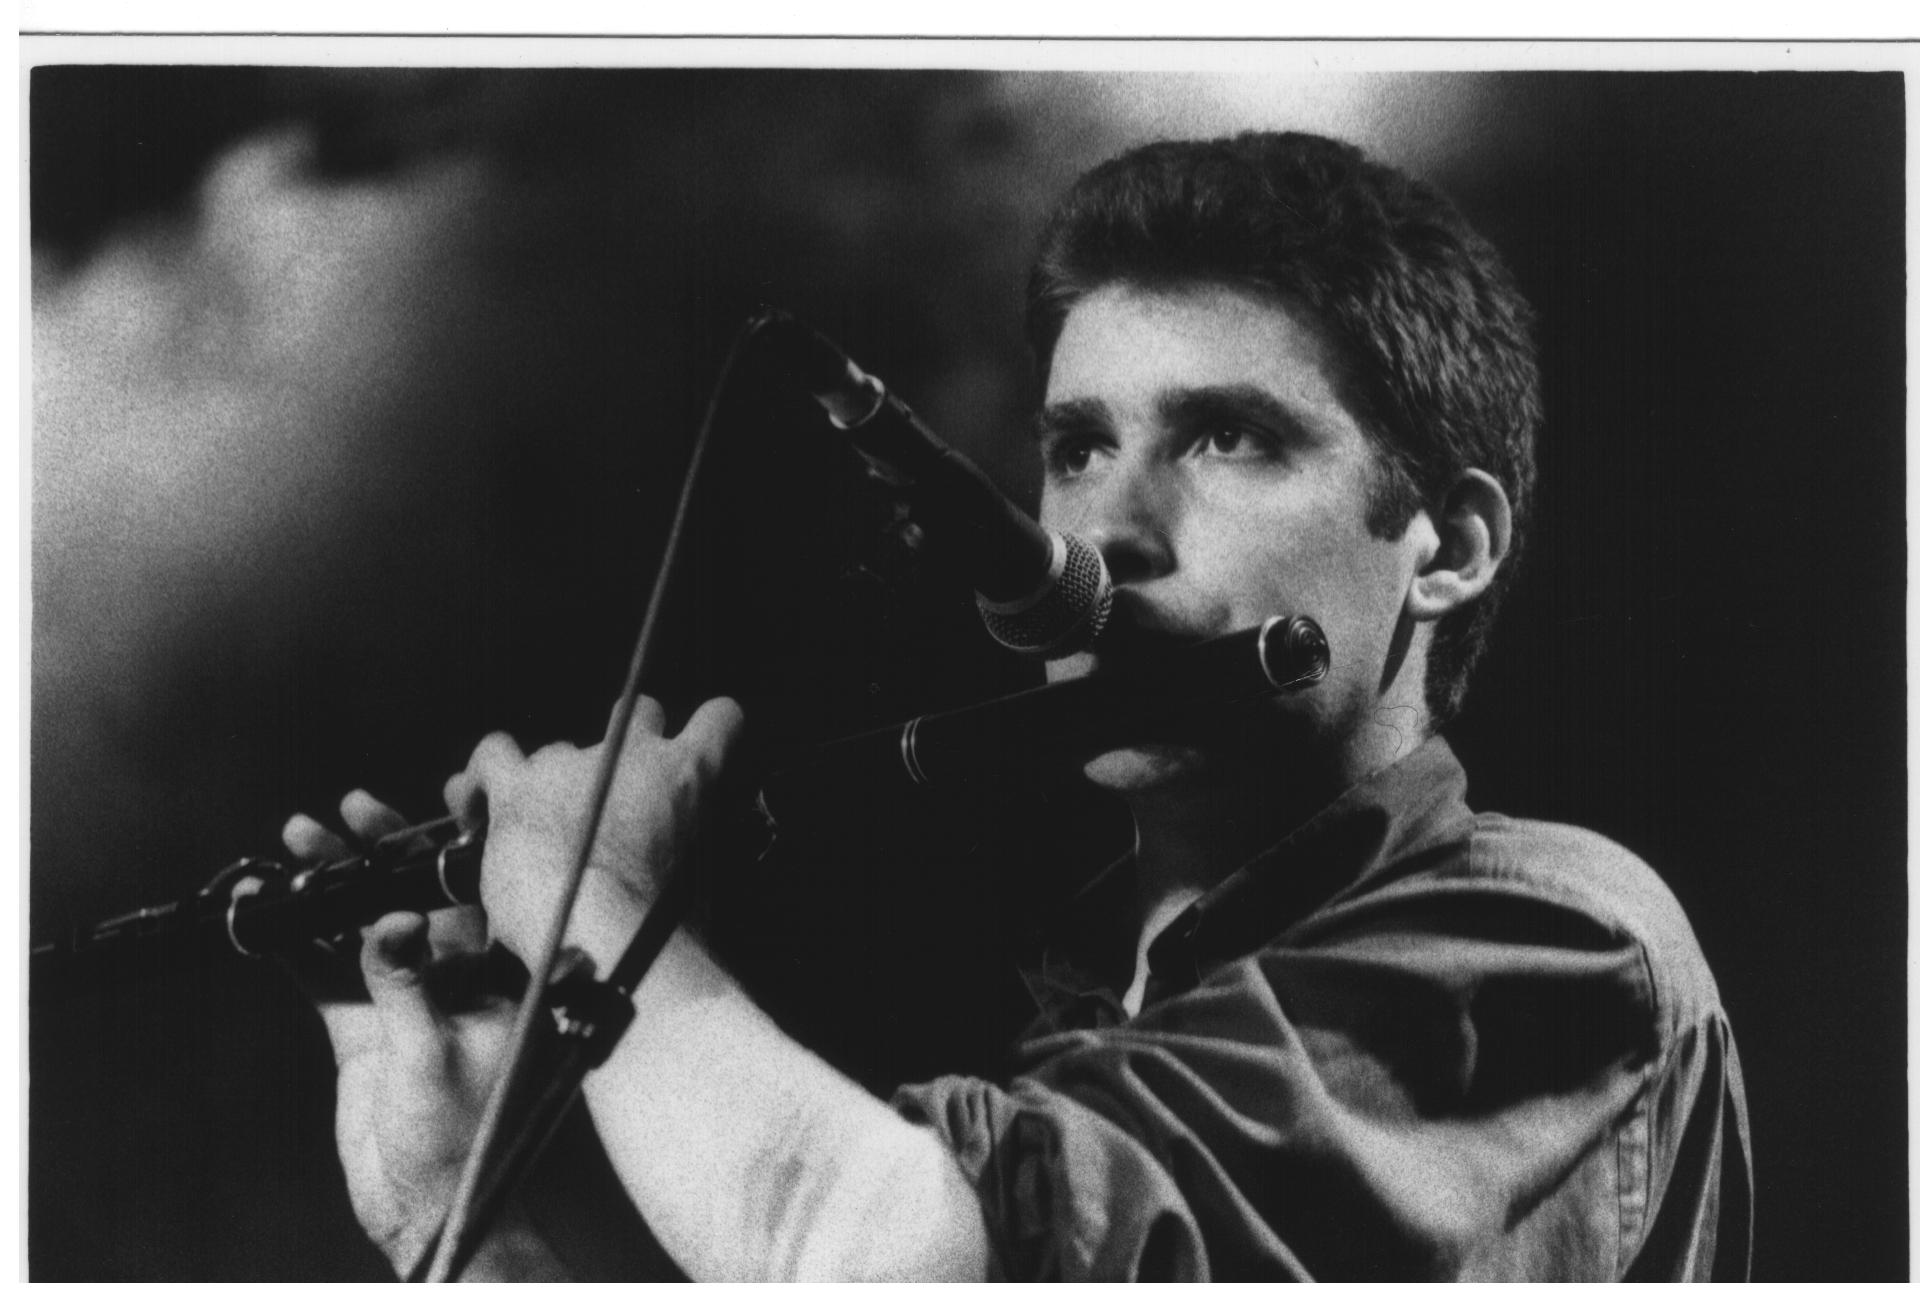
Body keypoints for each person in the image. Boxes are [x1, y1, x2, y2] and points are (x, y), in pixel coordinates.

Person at [284, 131, 1752, 1280]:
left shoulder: (1565, 941)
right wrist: (464, 1220)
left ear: (1451, 548)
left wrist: (589, 901)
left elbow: (885, 1259)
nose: (1107, 533)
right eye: (1077, 447)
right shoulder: (1092, 1020)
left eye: (1227, 438)